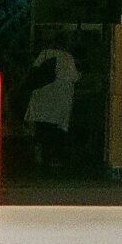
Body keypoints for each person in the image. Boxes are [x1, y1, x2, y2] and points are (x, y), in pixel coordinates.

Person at [24, 41, 79, 170]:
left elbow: (35, 71)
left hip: (42, 95)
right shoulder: (67, 57)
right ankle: (53, 158)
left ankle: (40, 156)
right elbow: (74, 77)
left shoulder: (45, 54)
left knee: (42, 127)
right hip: (61, 97)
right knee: (56, 130)